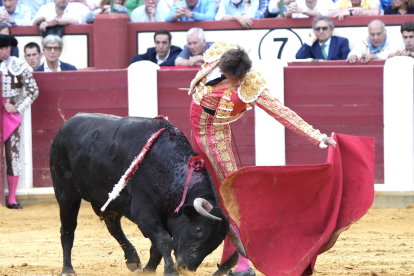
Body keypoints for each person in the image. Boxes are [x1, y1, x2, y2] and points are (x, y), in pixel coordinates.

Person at [188, 42, 336, 276]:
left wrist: (317, 137)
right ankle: (226, 257)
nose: (238, 83)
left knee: (231, 198)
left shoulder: (250, 84)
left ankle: (243, 264)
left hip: (216, 139)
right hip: (197, 131)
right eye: (233, 78)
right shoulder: (217, 55)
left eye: (240, 78)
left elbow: (281, 111)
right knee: (203, 190)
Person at [0, 34, 39, 209]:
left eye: (6, 48)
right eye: (1, 48)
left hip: (9, 116)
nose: (4, 52)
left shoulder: (18, 65)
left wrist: (17, 108)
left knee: (12, 155)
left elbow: (33, 90)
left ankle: (12, 199)